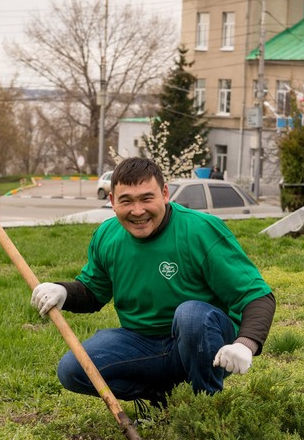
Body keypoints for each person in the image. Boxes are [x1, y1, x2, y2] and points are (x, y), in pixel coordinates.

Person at [30, 157, 276, 409]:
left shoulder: (200, 230)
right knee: (72, 370)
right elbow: (93, 292)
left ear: (165, 194)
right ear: (112, 201)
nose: (138, 211)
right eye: (126, 200)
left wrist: (245, 344)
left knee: (190, 314)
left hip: (204, 344)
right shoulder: (107, 235)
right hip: (141, 344)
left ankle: (206, 407)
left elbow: (257, 295)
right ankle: (162, 396)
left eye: (147, 198)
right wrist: (62, 291)